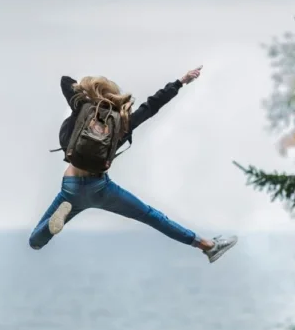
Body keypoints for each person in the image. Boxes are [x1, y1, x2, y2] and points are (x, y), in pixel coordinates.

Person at [29, 65, 238, 263]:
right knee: (151, 216)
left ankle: (47, 230)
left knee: (35, 242)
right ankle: (208, 246)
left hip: (71, 187)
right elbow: (152, 106)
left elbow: (65, 81)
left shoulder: (82, 108)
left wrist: (88, 94)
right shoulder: (121, 122)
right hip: (100, 188)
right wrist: (180, 82)